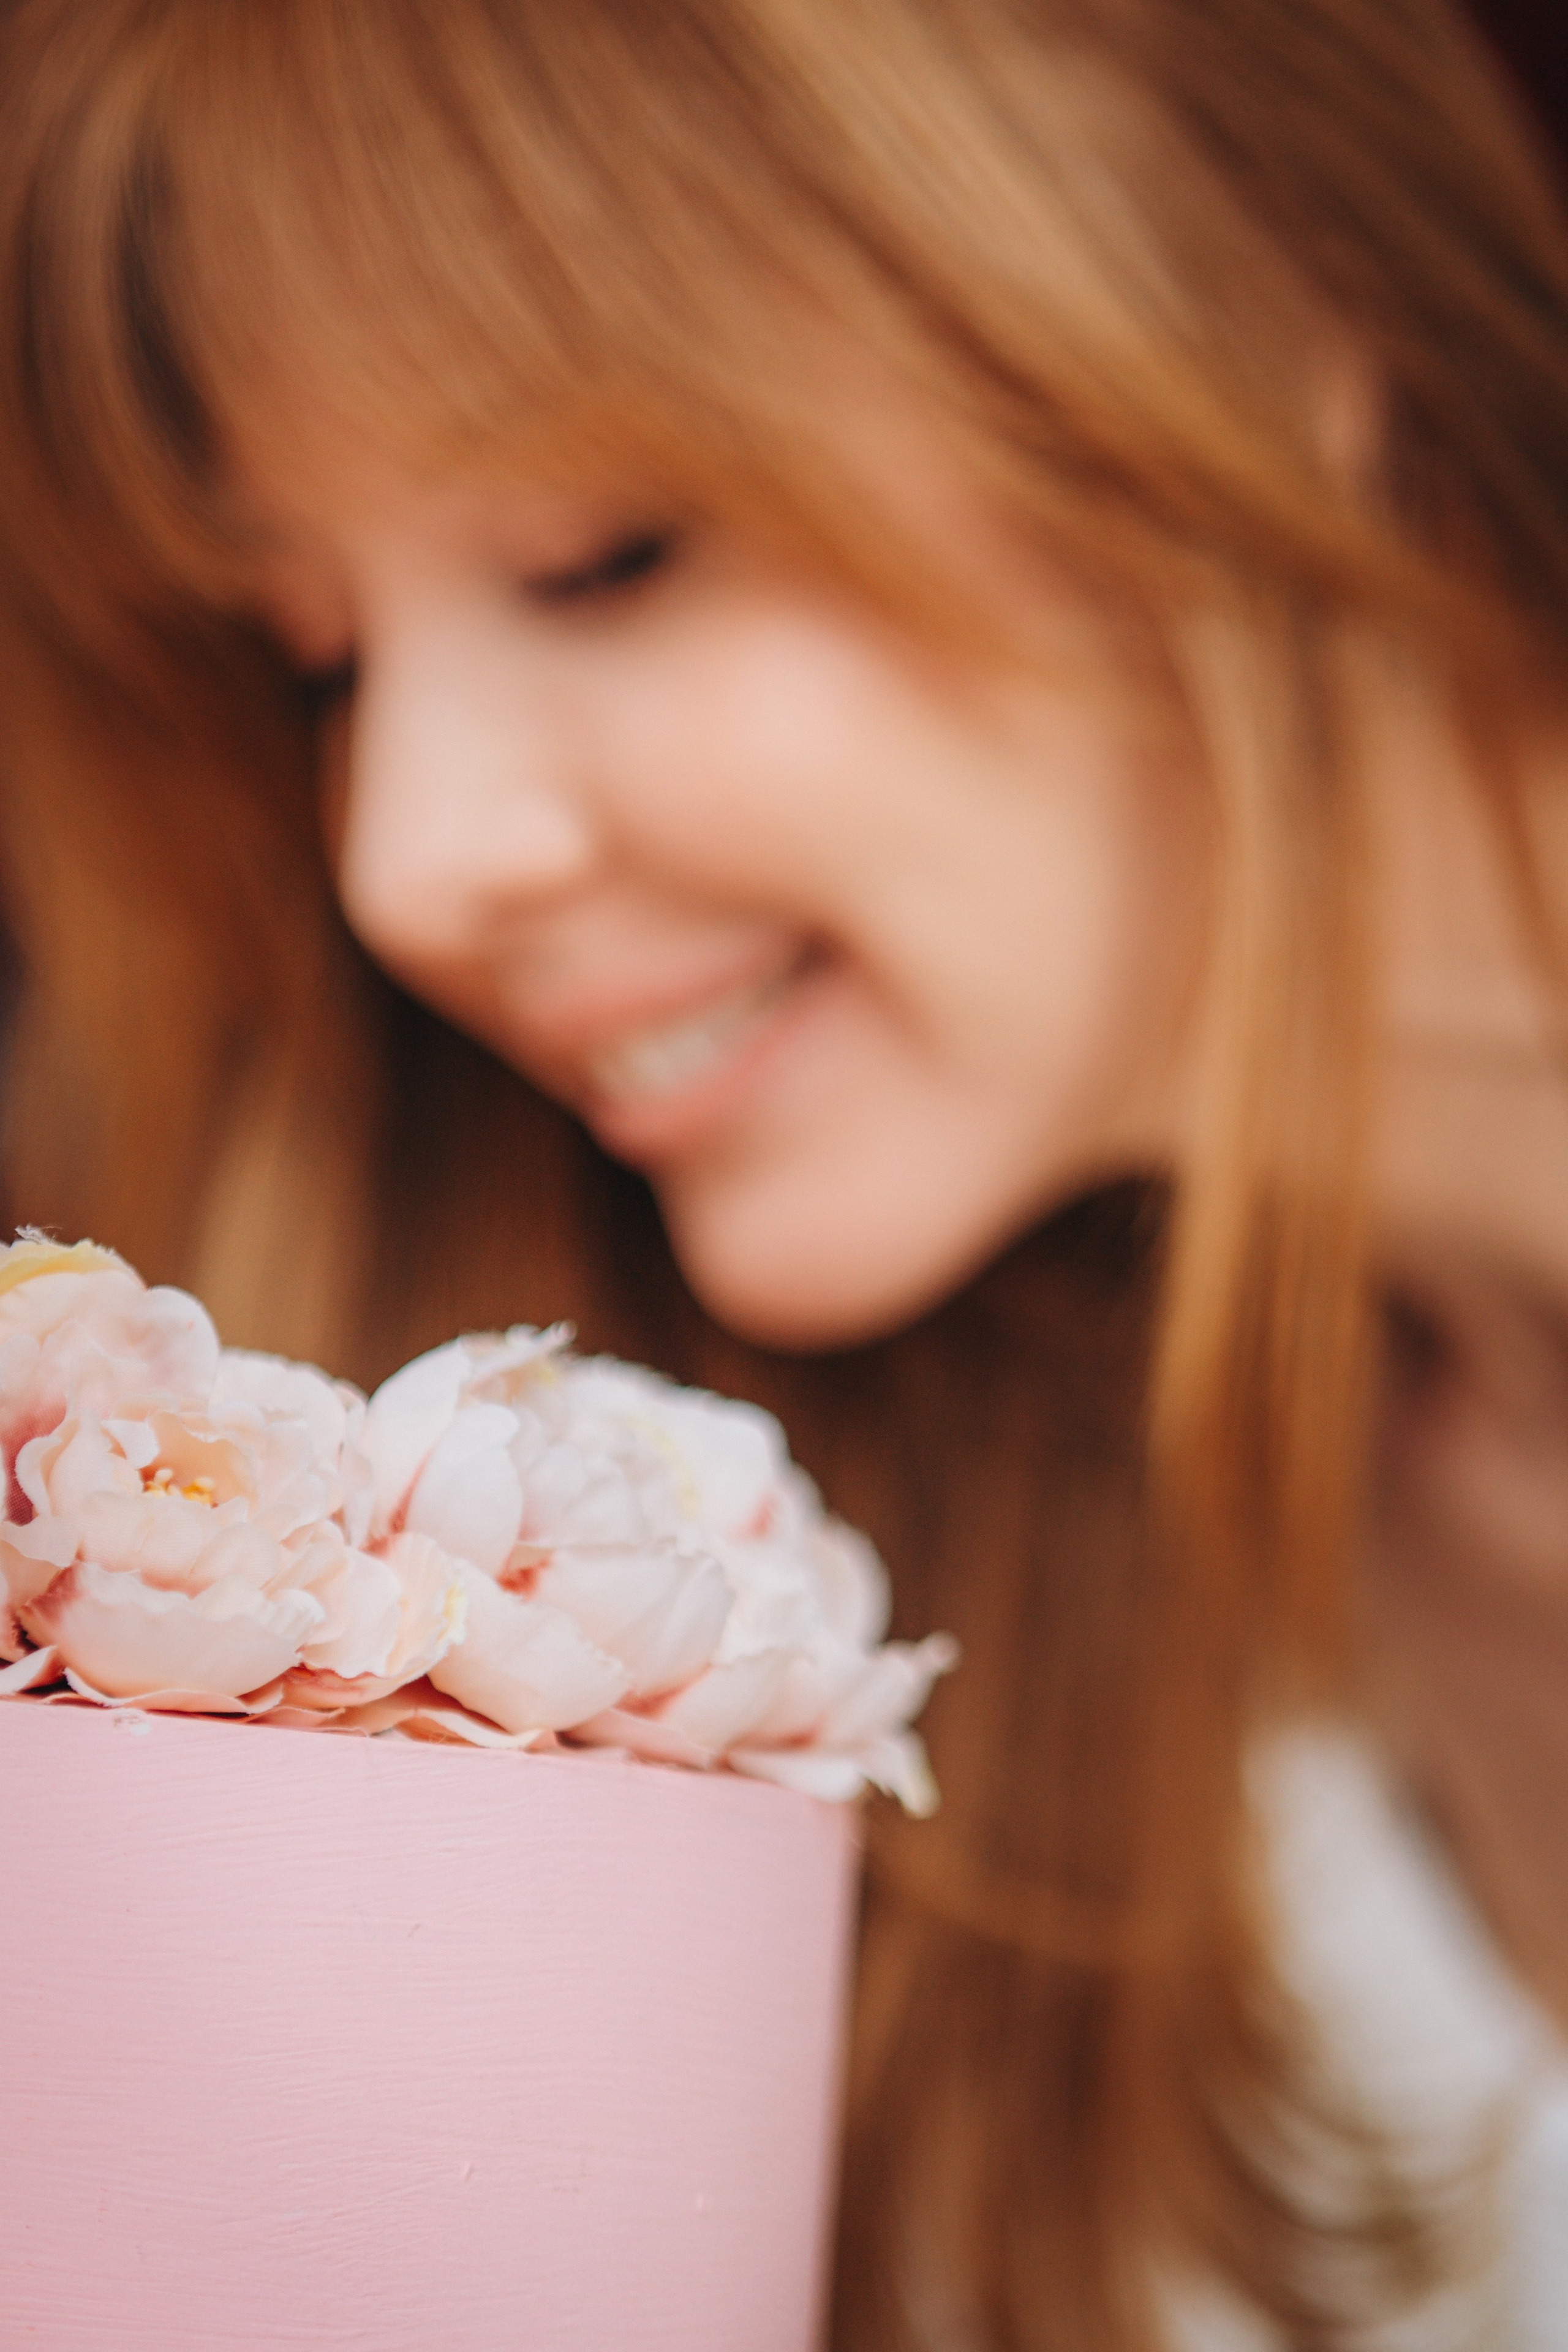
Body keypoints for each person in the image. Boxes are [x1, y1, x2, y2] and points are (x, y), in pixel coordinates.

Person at [2, 1, 1567, 2342]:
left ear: (1245, 309)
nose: (409, 861)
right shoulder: (959, 1585)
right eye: (317, 663)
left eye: (601, 555)